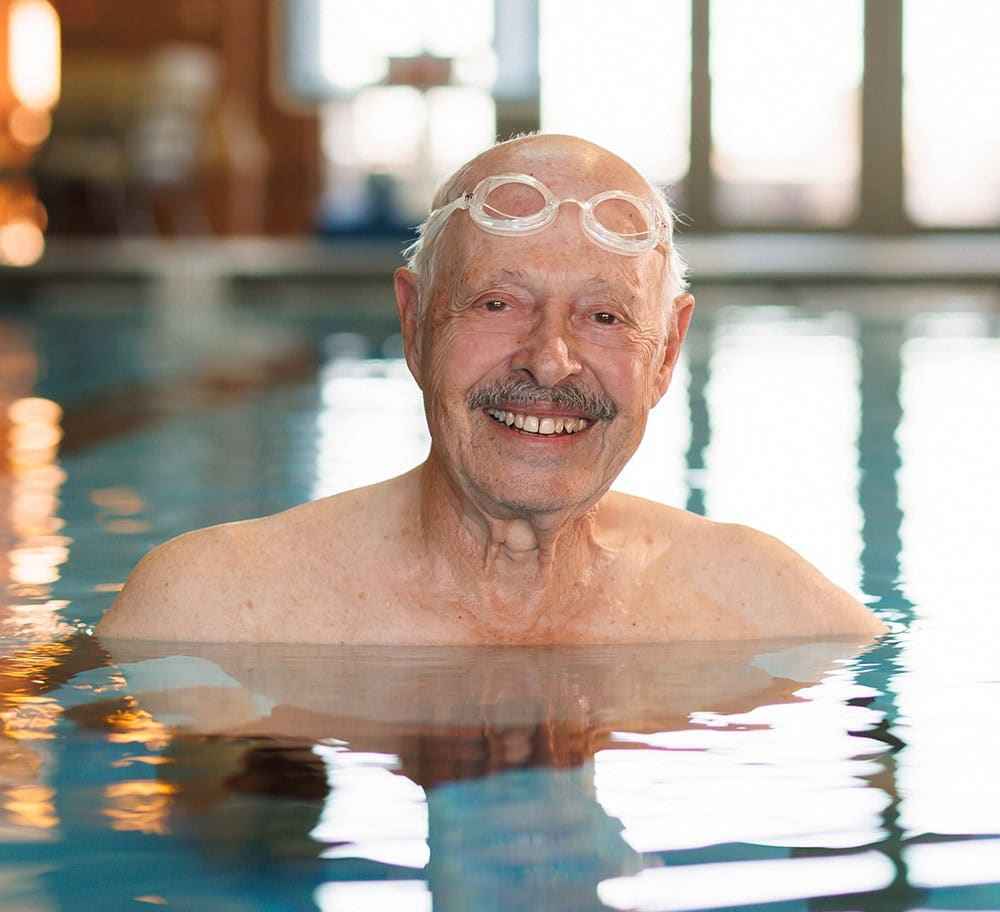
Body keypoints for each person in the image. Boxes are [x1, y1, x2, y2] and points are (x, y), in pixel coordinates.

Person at [98, 133, 884, 644]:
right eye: (497, 304)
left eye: (604, 315)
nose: (550, 361)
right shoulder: (215, 613)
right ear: (413, 323)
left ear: (667, 351)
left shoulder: (774, 616)